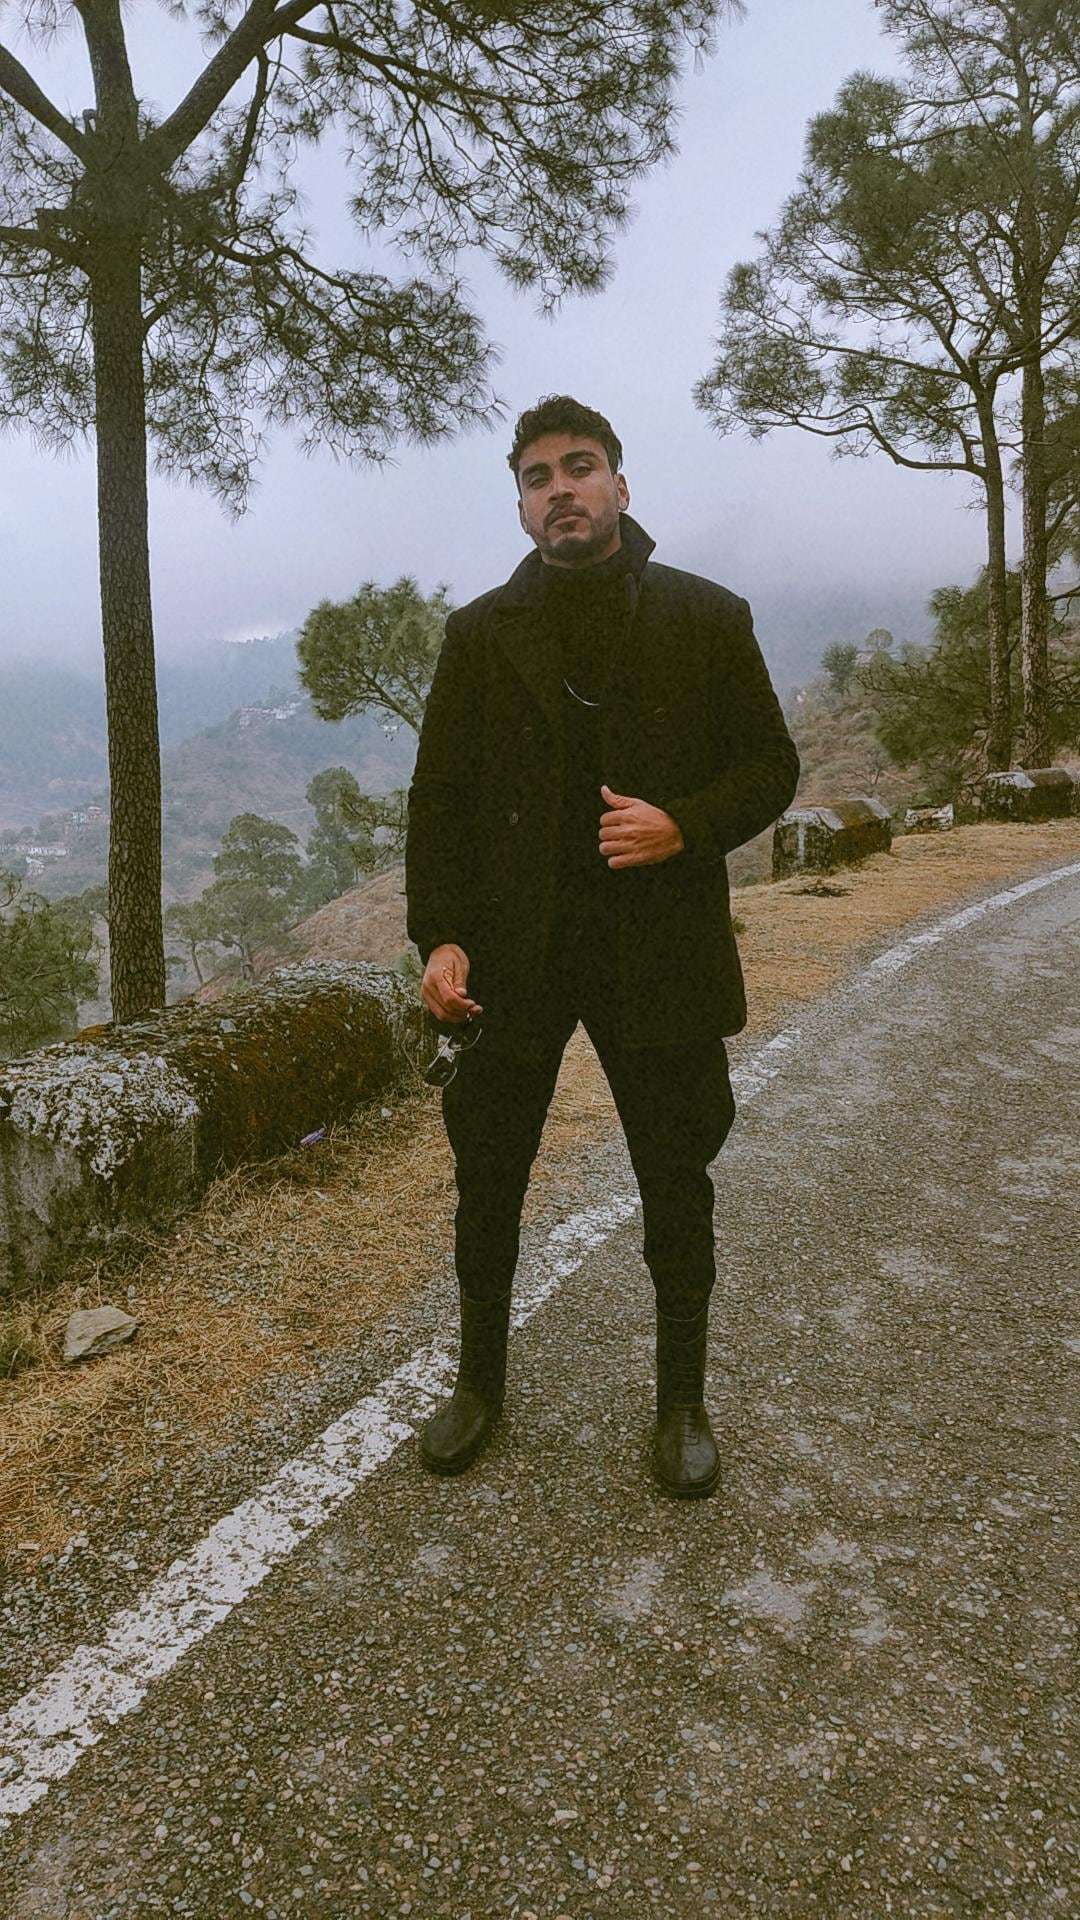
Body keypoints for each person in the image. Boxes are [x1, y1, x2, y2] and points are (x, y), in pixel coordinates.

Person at [405, 394, 800, 1497]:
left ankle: (682, 1403)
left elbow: (771, 767)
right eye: (537, 477)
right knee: (488, 1175)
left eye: (579, 467)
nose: (560, 489)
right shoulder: (479, 635)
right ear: (522, 507)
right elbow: (438, 800)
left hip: (657, 945)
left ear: (620, 485)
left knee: (675, 1176)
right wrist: (440, 935)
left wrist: (684, 824)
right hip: (511, 955)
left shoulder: (706, 615)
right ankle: (480, 1385)